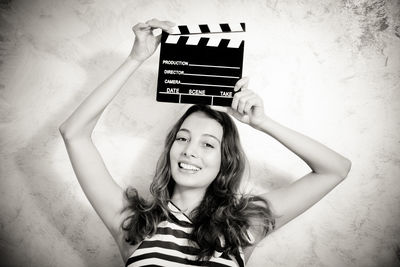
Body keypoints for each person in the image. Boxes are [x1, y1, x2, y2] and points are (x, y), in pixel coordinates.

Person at [59, 18, 352, 267]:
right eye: (182, 138)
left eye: (208, 144)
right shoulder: (132, 222)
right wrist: (136, 58)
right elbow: (73, 133)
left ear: (226, 161)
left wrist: (262, 122)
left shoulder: (243, 226)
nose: (189, 150)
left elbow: (335, 169)